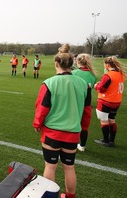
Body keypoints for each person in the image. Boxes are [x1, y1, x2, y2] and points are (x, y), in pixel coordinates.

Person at [33, 44, 90, 198]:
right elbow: (87, 110)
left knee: (50, 167)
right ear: (71, 64)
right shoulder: (84, 84)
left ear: (56, 63)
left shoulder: (49, 83)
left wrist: (37, 124)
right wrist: (83, 127)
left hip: (52, 132)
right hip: (73, 133)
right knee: (69, 167)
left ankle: (50, 196)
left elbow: (42, 107)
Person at [94, 56, 125, 147]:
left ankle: (105, 140)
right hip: (116, 101)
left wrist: (96, 85)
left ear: (107, 65)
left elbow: (101, 88)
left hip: (106, 101)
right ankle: (111, 141)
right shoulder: (120, 73)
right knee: (112, 120)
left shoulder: (108, 75)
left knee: (104, 121)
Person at [72, 54, 96, 152]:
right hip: (86, 103)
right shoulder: (93, 75)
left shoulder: (74, 73)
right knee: (84, 126)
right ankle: (82, 145)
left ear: (77, 62)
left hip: (74, 103)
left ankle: (71, 144)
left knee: (72, 124)